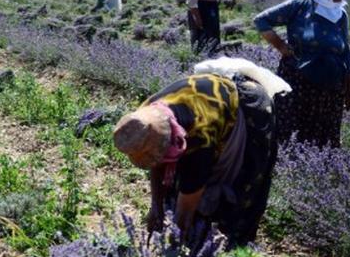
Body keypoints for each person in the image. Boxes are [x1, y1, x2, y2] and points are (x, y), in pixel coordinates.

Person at [113, 58, 290, 246]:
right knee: (182, 189)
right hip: (210, 99)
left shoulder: (197, 134)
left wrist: (177, 239)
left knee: (245, 181)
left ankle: (236, 244)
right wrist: (156, 206)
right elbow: (157, 160)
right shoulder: (143, 117)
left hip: (249, 105)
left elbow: (191, 190)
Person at [254, 0, 350, 148]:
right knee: (293, 136)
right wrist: (281, 46)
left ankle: (320, 172)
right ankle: (290, 170)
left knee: (324, 140)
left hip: (331, 90)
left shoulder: (341, 14)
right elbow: (261, 21)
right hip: (298, 84)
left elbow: (346, 52)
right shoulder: (301, 6)